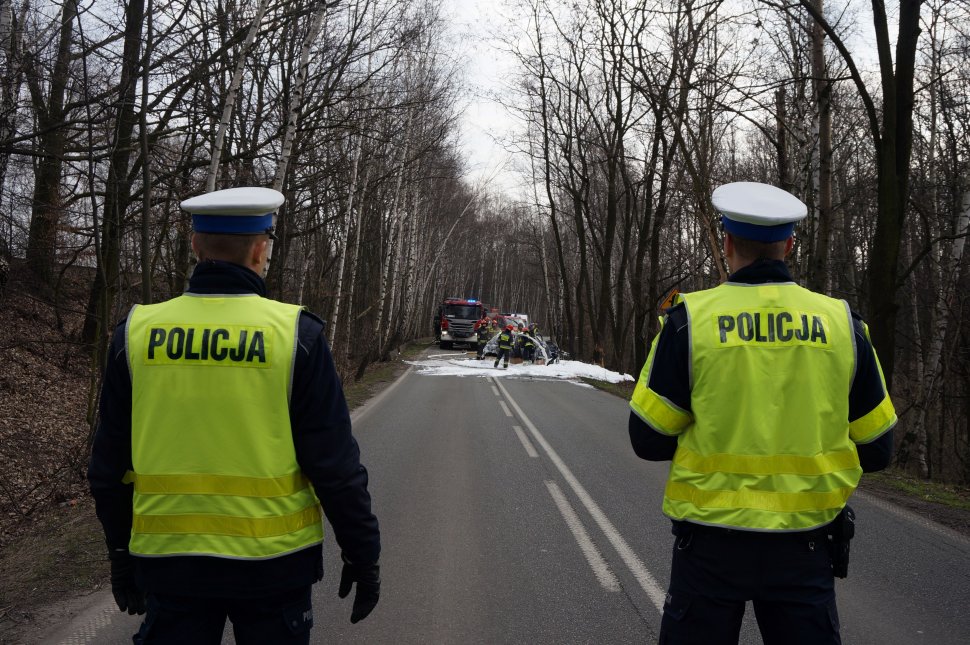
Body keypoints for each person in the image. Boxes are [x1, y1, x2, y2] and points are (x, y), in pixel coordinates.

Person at [88, 187, 381, 644]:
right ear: (261, 249)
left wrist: (120, 551)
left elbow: (108, 466)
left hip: (170, 563)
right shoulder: (295, 335)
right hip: (273, 568)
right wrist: (362, 553)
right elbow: (335, 466)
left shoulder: (137, 332)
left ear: (194, 246)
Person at [628, 182, 896, 645]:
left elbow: (647, 439)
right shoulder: (842, 324)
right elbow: (877, 450)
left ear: (728, 243)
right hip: (805, 547)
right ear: (789, 245)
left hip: (709, 547)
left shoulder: (691, 322)